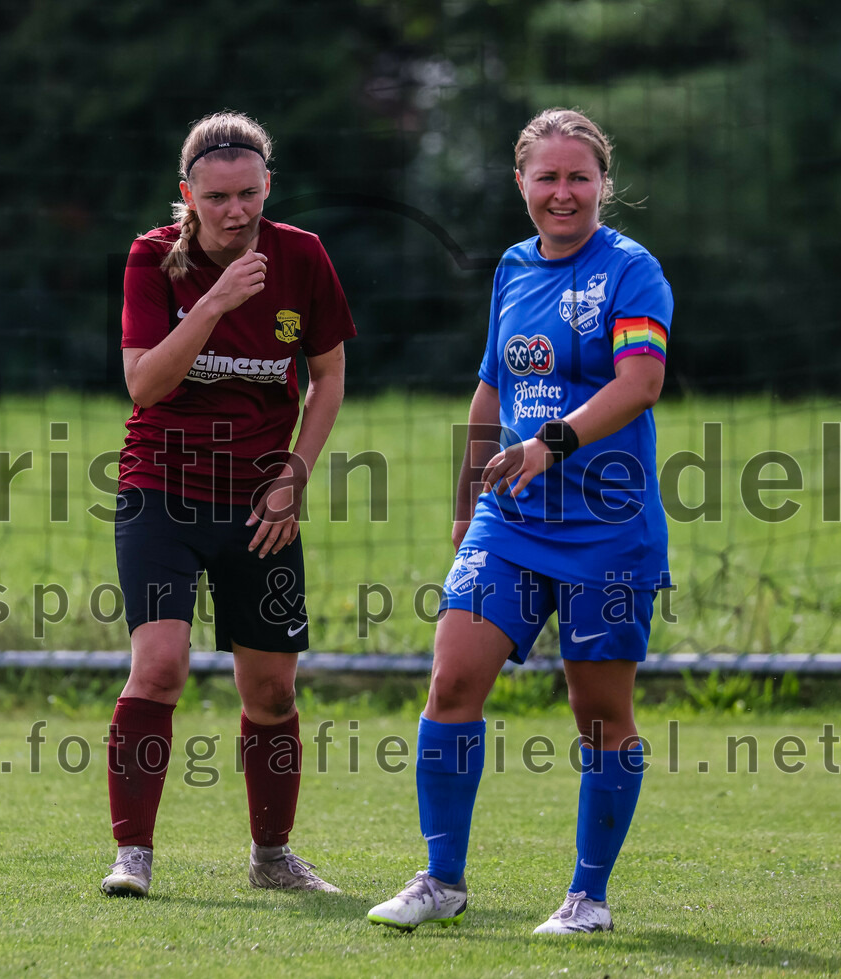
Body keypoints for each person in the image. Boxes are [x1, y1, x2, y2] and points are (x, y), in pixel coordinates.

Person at [367, 107, 673, 933]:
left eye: (579, 177)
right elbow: (491, 389)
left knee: (598, 714)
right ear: (521, 183)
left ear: (604, 184)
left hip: (608, 529)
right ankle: (441, 880)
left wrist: (551, 442)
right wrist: (468, 503)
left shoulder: (632, 271)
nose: (562, 192)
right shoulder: (512, 267)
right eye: (548, 177)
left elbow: (641, 383)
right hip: (510, 522)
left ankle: (588, 898)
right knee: (452, 680)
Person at [101, 111, 356, 898]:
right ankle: (132, 855)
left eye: (249, 194)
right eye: (217, 198)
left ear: (268, 185)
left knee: (272, 691)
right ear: (187, 195)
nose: (236, 211)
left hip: (261, 504)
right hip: (161, 491)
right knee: (160, 667)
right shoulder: (152, 257)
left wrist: (295, 476)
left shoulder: (302, 256)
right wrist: (212, 303)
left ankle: (272, 858)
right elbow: (144, 384)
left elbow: (329, 377)